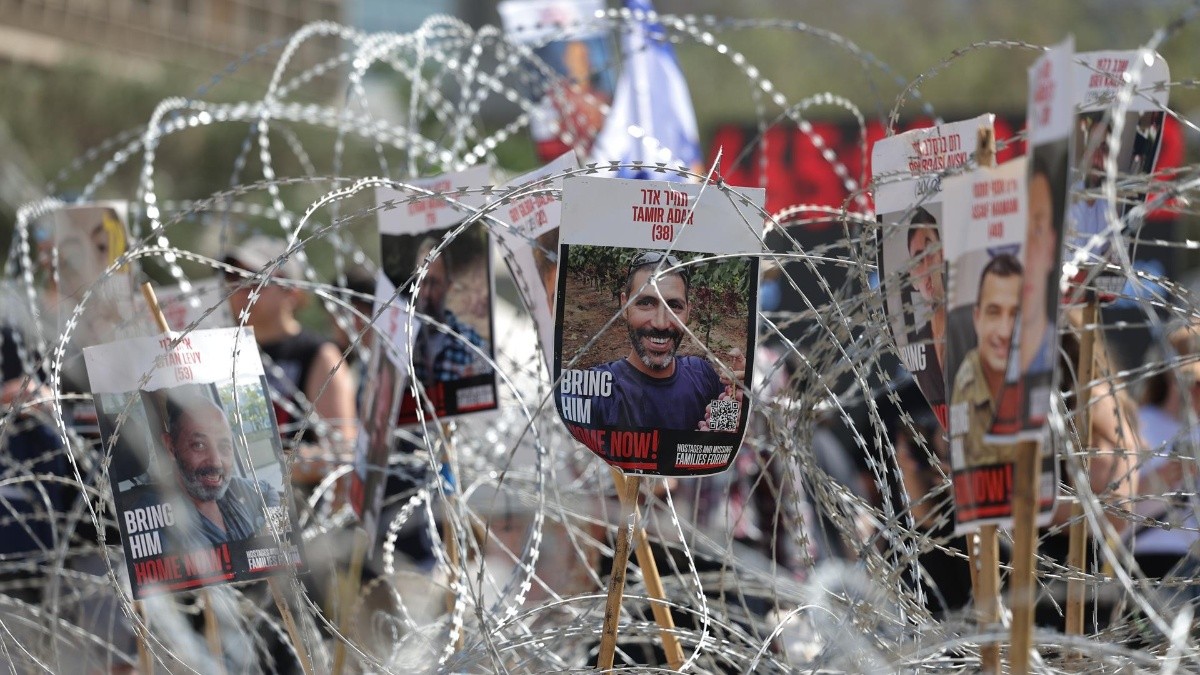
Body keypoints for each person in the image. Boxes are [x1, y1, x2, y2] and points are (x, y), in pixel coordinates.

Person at [223, 236, 357, 485]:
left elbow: (343, 452)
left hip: (302, 509)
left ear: (292, 291)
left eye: (253, 280)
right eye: (232, 278)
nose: (240, 289)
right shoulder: (225, 355)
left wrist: (267, 467)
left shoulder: (319, 355)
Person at [584, 250, 736, 431]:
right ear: (624, 306)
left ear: (688, 311)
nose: (661, 323)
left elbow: (724, 432)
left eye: (674, 306)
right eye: (646, 303)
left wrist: (735, 401)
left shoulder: (703, 374)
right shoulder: (596, 391)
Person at [151, 389, 279, 548]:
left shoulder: (234, 488)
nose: (216, 462)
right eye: (199, 445)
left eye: (224, 446)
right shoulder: (155, 519)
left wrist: (271, 529)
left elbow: (268, 490)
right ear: (171, 447)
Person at [949, 253, 1022, 466]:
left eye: (1015, 314)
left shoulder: (1042, 376)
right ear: (976, 318)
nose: (1005, 331)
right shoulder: (966, 384)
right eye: (994, 312)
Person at [409, 236, 493, 385]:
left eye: (434, 283)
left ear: (448, 286)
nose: (427, 293)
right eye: (422, 282)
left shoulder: (471, 346)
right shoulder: (404, 346)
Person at [905, 207, 947, 427]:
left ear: (943, 254)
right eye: (918, 259)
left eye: (931, 252)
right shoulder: (916, 345)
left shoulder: (974, 325)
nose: (927, 266)